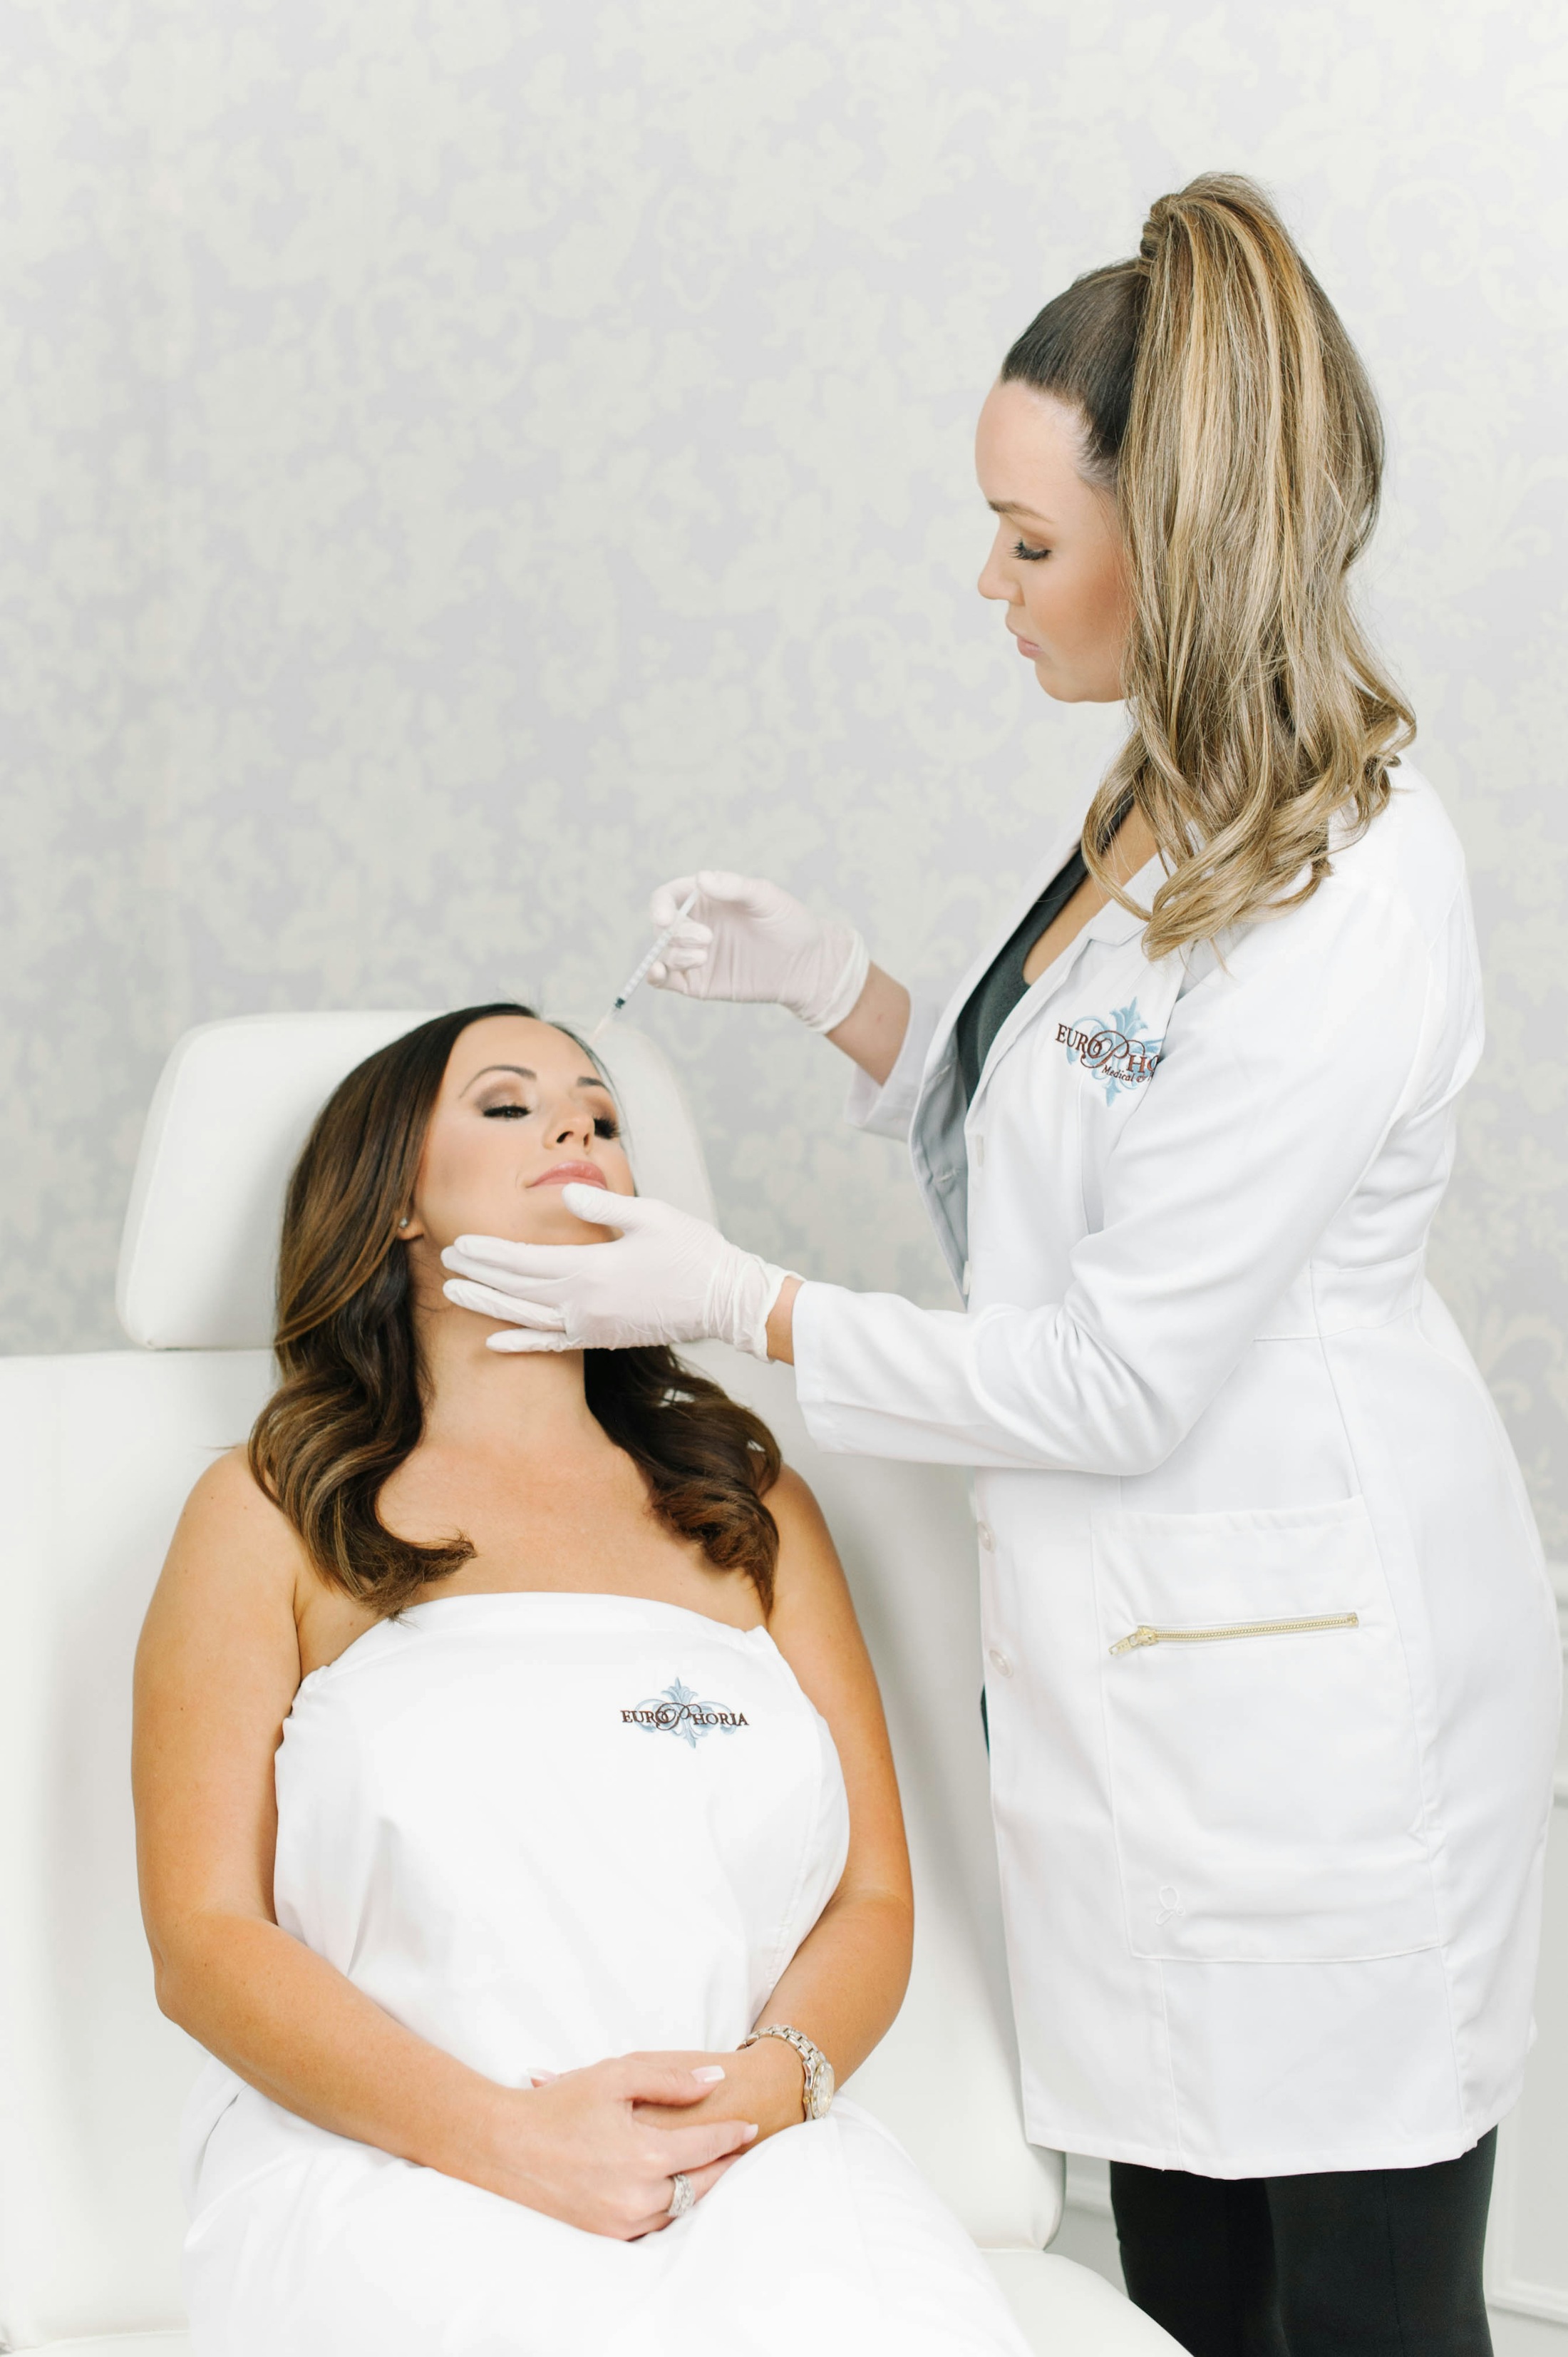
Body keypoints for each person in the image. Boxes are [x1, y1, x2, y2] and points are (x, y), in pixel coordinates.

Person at [440, 178, 1564, 2357]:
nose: (990, 579)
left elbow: (1122, 1375)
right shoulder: (1167, 793)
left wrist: (731, 1301)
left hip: (1313, 1705)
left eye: (1030, 540)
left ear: (1192, 539)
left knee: (1352, 2309)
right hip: (1141, 1682)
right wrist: (850, 992)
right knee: (1181, 2298)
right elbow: (1054, 1179)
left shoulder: (1350, 883)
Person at [132, 1005, 1043, 2356]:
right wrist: (505, 2137)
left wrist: (760, 2095)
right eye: (508, 1104)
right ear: (393, 1202)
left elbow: (874, 1894)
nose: (577, 1126)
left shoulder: (747, 1502)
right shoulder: (272, 1508)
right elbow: (204, 1940)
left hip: (748, 2168)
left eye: (604, 1115)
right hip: (392, 2169)